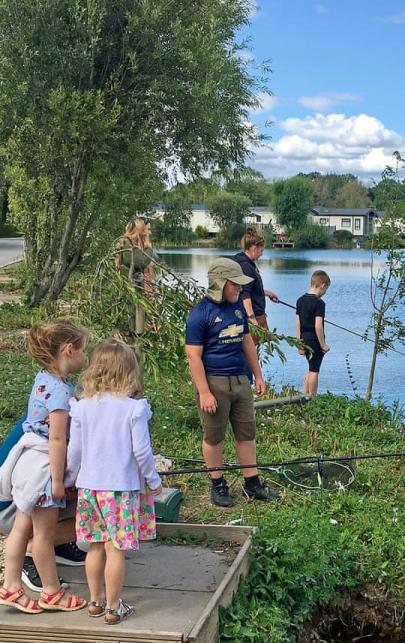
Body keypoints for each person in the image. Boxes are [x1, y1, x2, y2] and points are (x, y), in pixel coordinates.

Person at [67, 338, 162, 625]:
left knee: (94, 546)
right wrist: (154, 480)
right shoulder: (133, 409)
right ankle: (113, 606)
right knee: (115, 549)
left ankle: (94, 601)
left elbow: (76, 451)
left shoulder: (82, 407)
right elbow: (142, 452)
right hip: (121, 490)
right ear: (129, 373)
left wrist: (70, 477)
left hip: (90, 488)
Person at [0, 320, 89, 614]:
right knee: (43, 535)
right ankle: (52, 592)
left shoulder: (43, 379)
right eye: (82, 351)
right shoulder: (61, 395)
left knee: (21, 529)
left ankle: (10, 586)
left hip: (25, 462)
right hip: (43, 468)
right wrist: (57, 480)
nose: (84, 358)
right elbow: (58, 438)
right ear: (67, 349)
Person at [185, 257, 278, 507]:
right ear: (219, 283)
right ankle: (218, 484)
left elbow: (247, 342)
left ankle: (252, 483)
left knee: (246, 433)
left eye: (240, 285)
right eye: (234, 284)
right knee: (214, 436)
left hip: (240, 379)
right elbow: (193, 356)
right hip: (214, 382)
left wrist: (257, 375)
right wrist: (204, 392)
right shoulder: (200, 314)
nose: (239, 289)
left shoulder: (237, 310)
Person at [232, 226, 280, 346]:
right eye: (261, 251)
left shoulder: (245, 262)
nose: (261, 254)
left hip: (254, 316)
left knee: (253, 353)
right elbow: (245, 294)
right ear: (254, 248)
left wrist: (267, 293)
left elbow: (249, 286)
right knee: (250, 353)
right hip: (251, 318)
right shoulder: (246, 266)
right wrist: (253, 319)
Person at [115, 217, 156, 335]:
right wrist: (149, 248)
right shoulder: (125, 242)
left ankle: (137, 333)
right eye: (145, 230)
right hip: (128, 289)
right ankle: (133, 334)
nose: (148, 233)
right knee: (131, 317)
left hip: (133, 290)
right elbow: (140, 262)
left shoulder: (130, 242)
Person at [295, 270, 331, 397]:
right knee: (315, 370)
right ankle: (312, 398)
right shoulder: (319, 303)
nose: (325, 293)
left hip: (304, 339)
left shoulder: (300, 300)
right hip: (315, 341)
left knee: (310, 368)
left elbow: (297, 323)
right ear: (323, 285)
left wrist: (298, 343)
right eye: (326, 290)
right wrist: (322, 344)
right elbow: (318, 326)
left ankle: (304, 395)